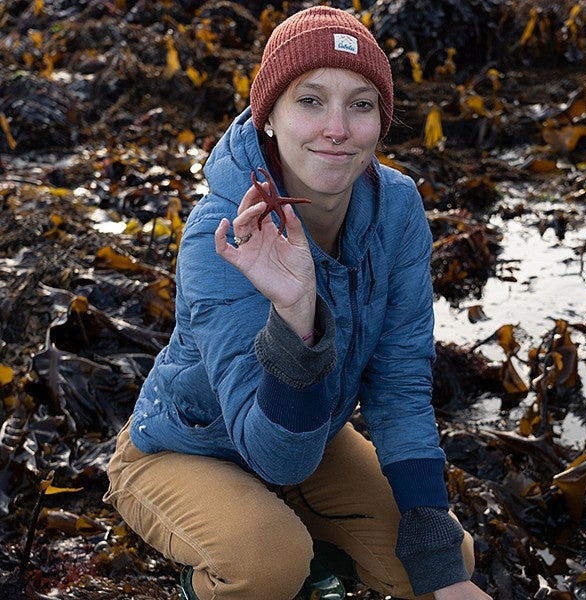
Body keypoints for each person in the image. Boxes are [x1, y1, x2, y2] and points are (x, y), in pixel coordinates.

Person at [104, 6, 493, 600]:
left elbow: (399, 382)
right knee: (269, 564)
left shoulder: (398, 209)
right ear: (270, 118)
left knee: (444, 558)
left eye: (360, 104)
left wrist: (439, 564)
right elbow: (275, 457)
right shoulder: (225, 232)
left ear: (380, 122)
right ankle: (240, 565)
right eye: (310, 101)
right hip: (185, 444)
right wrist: (294, 316)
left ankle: (316, 549)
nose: (336, 128)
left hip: (312, 435)